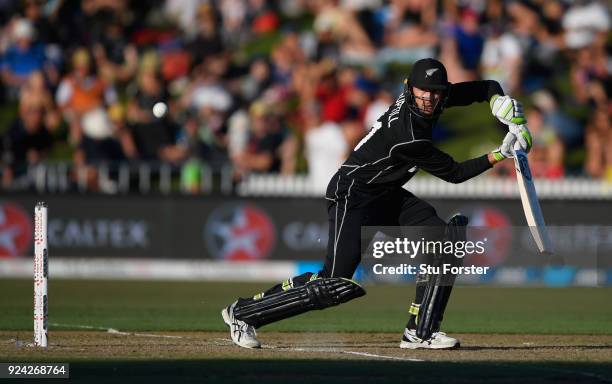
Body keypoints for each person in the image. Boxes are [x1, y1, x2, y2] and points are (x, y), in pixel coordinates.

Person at [221, 58, 532, 349]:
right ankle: (244, 313)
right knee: (334, 283)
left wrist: (499, 104)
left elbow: (485, 87)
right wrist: (501, 154)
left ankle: (420, 331)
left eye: (436, 93)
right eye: (423, 91)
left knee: (442, 240)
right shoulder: (409, 135)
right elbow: (455, 174)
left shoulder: (432, 99)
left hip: (385, 193)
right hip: (354, 195)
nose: (429, 99)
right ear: (410, 89)